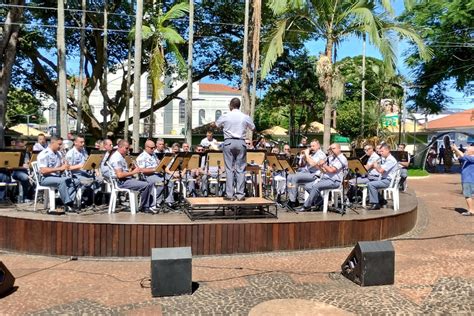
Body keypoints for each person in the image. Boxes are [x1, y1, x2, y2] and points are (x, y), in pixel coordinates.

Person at [215, 97, 255, 201]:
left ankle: (229, 194)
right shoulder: (245, 116)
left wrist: (226, 126)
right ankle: (240, 194)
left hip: (228, 142)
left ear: (231, 105)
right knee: (241, 169)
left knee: (229, 169)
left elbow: (217, 124)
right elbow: (253, 127)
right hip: (241, 142)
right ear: (239, 105)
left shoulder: (226, 115)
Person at [108, 140, 157, 214]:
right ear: (120, 147)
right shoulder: (116, 158)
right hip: (121, 182)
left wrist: (131, 168)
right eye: (126, 148)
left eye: (128, 149)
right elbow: (120, 175)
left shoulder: (121, 156)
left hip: (126, 180)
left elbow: (125, 171)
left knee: (149, 183)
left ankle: (147, 205)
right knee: (147, 185)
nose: (128, 151)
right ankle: (144, 207)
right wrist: (133, 172)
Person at [299, 143, 348, 212]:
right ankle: (320, 203)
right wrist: (318, 165)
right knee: (308, 186)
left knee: (316, 186)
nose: (331, 150)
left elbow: (331, 170)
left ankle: (306, 206)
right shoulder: (331, 158)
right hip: (325, 178)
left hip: (335, 181)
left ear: (339, 149)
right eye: (331, 149)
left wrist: (323, 164)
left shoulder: (342, 158)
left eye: (333, 148)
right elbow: (324, 170)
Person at [37, 137, 78, 213]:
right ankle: (68, 203)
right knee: (62, 181)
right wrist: (59, 169)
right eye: (59, 144)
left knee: (75, 181)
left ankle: (67, 201)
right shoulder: (44, 154)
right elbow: (43, 170)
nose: (61, 146)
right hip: (45, 178)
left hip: (57, 176)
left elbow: (62, 165)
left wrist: (65, 164)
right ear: (52, 143)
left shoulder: (59, 153)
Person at [286, 140, 326, 208]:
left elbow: (313, 164)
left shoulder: (321, 154)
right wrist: (303, 156)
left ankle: (292, 201)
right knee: (289, 176)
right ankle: (293, 199)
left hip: (315, 174)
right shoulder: (312, 154)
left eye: (313, 146)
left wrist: (307, 154)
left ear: (318, 146)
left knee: (295, 177)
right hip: (307, 173)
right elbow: (303, 165)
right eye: (311, 146)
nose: (311, 147)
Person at [136, 139, 175, 208]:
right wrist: (154, 169)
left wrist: (161, 164)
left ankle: (169, 201)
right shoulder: (141, 157)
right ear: (146, 147)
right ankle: (156, 201)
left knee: (170, 179)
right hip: (148, 176)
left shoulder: (153, 155)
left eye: (154, 147)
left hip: (157, 173)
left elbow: (158, 164)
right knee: (162, 181)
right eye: (151, 148)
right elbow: (141, 170)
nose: (153, 149)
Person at [366, 144, 399, 210]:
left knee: (371, 184)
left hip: (388, 181)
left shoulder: (391, 160)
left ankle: (375, 203)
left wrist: (376, 165)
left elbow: (381, 171)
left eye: (382, 151)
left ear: (388, 150)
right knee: (371, 182)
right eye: (380, 151)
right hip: (385, 179)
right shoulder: (386, 159)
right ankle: (380, 200)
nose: (380, 153)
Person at [451, 144, 474, 216]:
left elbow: (462, 155)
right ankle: (472, 209)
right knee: (470, 195)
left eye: (467, 150)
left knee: (468, 195)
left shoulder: (472, 158)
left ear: (472, 151)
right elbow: (460, 156)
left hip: (469, 180)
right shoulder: (468, 158)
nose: (465, 151)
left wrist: (456, 149)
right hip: (468, 180)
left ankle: (471, 211)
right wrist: (455, 150)